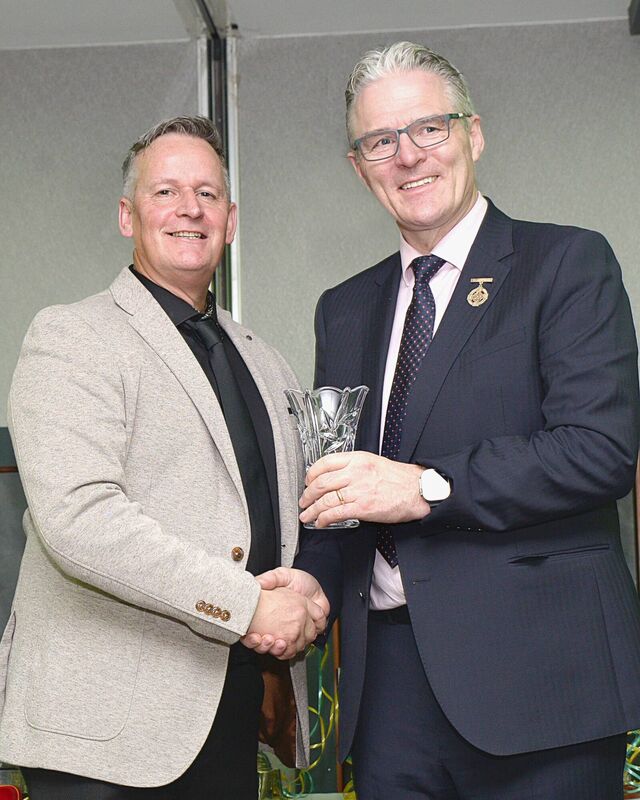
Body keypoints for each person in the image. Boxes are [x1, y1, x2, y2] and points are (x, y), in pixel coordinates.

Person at [255, 42, 640, 798]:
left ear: (474, 134)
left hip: (541, 680)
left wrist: (424, 487)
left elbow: (598, 451)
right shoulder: (344, 308)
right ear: (359, 167)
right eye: (380, 141)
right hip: (388, 691)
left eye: (429, 128)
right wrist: (309, 584)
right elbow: (344, 489)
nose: (408, 156)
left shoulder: (566, 264)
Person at [0, 116, 328, 799]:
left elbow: (285, 513)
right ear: (128, 215)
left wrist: (307, 593)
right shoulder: (73, 336)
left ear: (231, 221)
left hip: (228, 714)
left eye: (208, 194)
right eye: (166, 192)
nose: (190, 209)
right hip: (102, 733)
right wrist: (247, 606)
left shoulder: (265, 360)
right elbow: (80, 521)